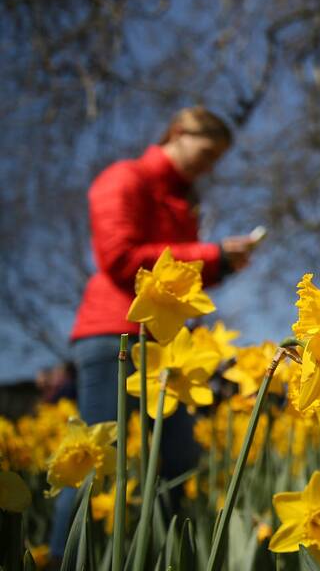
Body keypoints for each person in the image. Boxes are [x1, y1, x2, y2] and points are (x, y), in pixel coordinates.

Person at [49, 107, 255, 558]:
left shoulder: (182, 200)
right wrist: (210, 254)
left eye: (217, 159)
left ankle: (162, 557)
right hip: (114, 337)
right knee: (97, 461)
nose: (209, 166)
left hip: (168, 345)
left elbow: (175, 278)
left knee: (179, 460)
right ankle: (64, 559)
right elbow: (121, 257)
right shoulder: (124, 178)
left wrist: (222, 263)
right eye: (206, 152)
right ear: (179, 132)